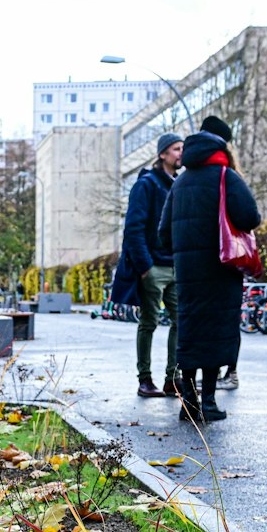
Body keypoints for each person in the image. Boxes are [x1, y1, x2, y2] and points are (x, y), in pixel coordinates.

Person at [159, 116, 260, 422]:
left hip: (188, 273)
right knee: (215, 333)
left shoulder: (180, 183)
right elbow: (250, 217)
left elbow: (163, 234)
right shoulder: (226, 176)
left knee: (190, 332)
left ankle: (189, 403)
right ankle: (210, 403)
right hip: (221, 270)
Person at [109, 133, 183, 398]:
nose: (181, 153)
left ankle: (173, 379)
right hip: (153, 266)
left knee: (181, 320)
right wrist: (145, 267)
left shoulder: (178, 184)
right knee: (149, 322)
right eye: (176, 149)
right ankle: (145, 380)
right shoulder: (146, 185)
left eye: (182, 148)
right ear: (162, 154)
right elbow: (134, 228)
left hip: (175, 265)